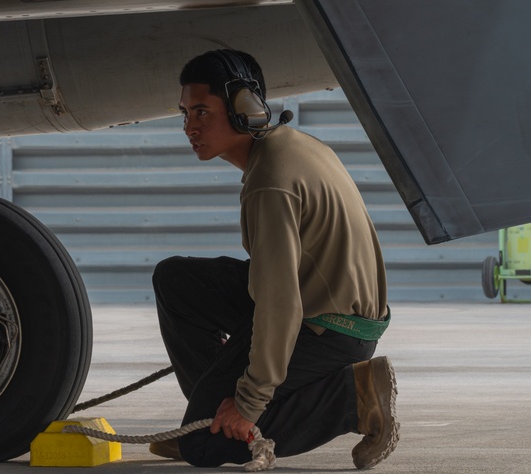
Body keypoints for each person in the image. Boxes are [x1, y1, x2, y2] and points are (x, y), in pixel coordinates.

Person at [150, 49, 398, 468]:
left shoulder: (270, 183)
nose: (189, 127)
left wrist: (250, 402)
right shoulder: (288, 148)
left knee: (203, 451)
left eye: (202, 112)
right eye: (185, 114)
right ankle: (208, 417)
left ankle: (353, 399)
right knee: (176, 280)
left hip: (331, 328)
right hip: (325, 306)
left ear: (244, 108)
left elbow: (280, 304)